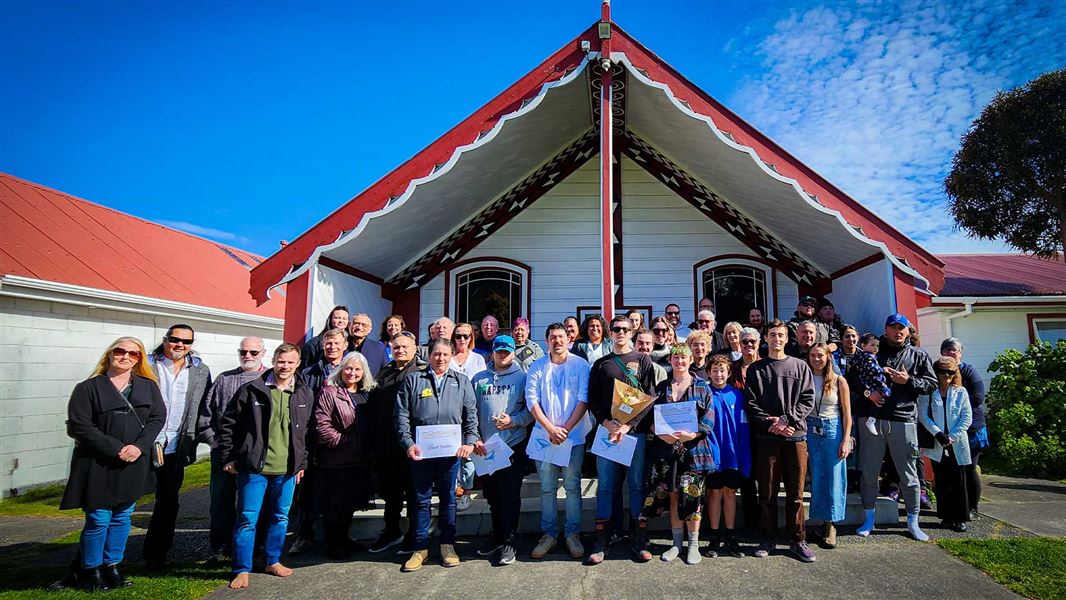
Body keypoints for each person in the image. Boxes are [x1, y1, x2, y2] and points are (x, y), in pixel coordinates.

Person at [56, 337, 165, 592]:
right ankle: (89, 570)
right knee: (98, 518)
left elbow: (157, 418)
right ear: (110, 354)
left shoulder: (148, 387)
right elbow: (80, 425)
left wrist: (138, 447)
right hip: (98, 462)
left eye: (133, 354)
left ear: (139, 359)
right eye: (120, 351)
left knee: (122, 517)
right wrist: (116, 448)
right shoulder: (88, 388)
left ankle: (111, 566)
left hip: (134, 461)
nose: (126, 356)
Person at [219, 343, 313, 590]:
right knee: (247, 519)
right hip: (254, 469)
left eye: (291, 362)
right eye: (281, 361)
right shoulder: (251, 390)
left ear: (298, 363)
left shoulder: (304, 393)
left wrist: (301, 463)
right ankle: (241, 568)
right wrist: (229, 458)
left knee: (280, 518)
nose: (285, 367)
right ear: (273, 360)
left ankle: (273, 560)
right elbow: (229, 425)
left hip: (287, 470)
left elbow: (306, 434)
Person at [395, 338, 480, 572]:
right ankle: (420, 548)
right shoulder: (413, 380)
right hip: (420, 454)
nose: (440, 358)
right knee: (421, 501)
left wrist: (470, 442)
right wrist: (408, 443)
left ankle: (447, 545)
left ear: (452, 355)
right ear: (429, 355)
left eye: (445, 354)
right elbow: (401, 416)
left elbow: (471, 415)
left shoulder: (461, 381)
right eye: (436, 354)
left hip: (450, 455)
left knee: (449, 500)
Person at [856, 313, 936, 541]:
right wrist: (867, 393)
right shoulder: (873, 350)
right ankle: (868, 518)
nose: (898, 332)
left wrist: (907, 381)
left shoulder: (918, 355)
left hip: (904, 419)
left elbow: (930, 384)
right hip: (872, 419)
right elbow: (853, 378)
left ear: (908, 331)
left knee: (909, 475)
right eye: (893, 327)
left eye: (902, 328)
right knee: (870, 472)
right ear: (886, 329)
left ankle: (913, 521)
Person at [586, 315, 657, 565]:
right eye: (615, 329)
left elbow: (650, 398)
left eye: (625, 329)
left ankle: (639, 539)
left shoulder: (643, 360)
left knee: (637, 486)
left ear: (631, 332)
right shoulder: (601, 364)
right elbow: (592, 399)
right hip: (607, 434)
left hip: (633, 435)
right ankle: (602, 540)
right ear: (610, 333)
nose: (620, 333)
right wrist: (606, 422)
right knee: (606, 486)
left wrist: (629, 425)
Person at [744, 319, 817, 563]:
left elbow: (808, 400)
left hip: (795, 438)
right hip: (766, 438)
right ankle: (768, 537)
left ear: (787, 339)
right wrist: (772, 424)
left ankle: (797, 539)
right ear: (766, 339)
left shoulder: (800, 366)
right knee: (767, 492)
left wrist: (787, 420)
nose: (776, 339)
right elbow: (751, 404)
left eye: (781, 335)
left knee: (796, 493)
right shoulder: (756, 369)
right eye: (772, 335)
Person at [144, 324, 212, 570]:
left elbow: (205, 406)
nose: (180, 345)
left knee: (168, 501)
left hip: (175, 446)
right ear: (165, 340)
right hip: (143, 443)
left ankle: (157, 554)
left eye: (186, 341)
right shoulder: (145, 365)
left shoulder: (200, 371)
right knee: (124, 502)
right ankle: (104, 559)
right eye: (175, 339)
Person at [640, 345, 716, 565]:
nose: (679, 362)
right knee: (673, 495)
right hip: (666, 451)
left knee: (692, 498)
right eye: (675, 358)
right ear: (670, 361)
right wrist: (658, 432)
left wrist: (691, 433)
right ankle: (676, 543)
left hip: (693, 451)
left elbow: (709, 420)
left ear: (691, 359)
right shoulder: (661, 387)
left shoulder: (703, 387)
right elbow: (649, 419)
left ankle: (693, 545)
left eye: (683, 358)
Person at [196, 336, 269, 563]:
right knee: (221, 501)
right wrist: (214, 442)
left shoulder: (270, 380)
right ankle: (221, 547)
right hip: (224, 452)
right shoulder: (224, 379)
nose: (248, 356)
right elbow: (205, 415)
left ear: (263, 353)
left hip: (257, 453)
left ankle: (255, 547)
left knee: (256, 503)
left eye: (253, 352)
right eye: (243, 352)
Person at [526, 323, 592, 561]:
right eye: (552, 337)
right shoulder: (537, 366)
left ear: (568, 339)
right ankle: (549, 535)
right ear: (547, 341)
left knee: (572, 486)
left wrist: (564, 429)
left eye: (561, 336)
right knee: (547, 488)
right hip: (544, 438)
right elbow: (531, 399)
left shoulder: (580, 365)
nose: (557, 341)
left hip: (572, 438)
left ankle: (573, 535)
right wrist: (550, 428)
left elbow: (584, 400)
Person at [470, 335, 532, 565]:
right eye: (499, 351)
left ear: (513, 352)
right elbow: (470, 411)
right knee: (492, 495)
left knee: (509, 496)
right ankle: (496, 536)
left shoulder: (523, 378)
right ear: (492, 352)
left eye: (507, 351)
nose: (503, 354)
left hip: (511, 445)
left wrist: (513, 421)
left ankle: (509, 540)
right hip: (485, 448)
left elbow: (531, 411)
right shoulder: (478, 379)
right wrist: (474, 436)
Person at [290, 327, 348, 554]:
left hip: (343, 443)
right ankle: (303, 535)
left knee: (340, 492)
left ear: (345, 345)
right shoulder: (309, 373)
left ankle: (341, 537)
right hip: (313, 441)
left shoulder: (351, 370)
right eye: (328, 343)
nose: (332, 347)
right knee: (308, 493)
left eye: (336, 343)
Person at [367, 331, 423, 554]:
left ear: (414, 348)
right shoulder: (384, 373)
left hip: (412, 445)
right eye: (396, 346)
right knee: (390, 493)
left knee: (413, 493)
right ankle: (391, 530)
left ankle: (413, 534)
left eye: (405, 346)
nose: (400, 350)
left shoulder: (421, 372)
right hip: (386, 445)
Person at [314, 351, 375, 558]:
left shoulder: (365, 394)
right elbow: (321, 425)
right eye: (348, 368)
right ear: (341, 370)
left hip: (359, 460)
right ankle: (334, 545)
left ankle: (345, 539)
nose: (352, 373)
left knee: (349, 504)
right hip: (336, 460)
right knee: (335, 506)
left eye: (357, 369)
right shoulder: (330, 392)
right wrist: (345, 442)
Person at [804, 343, 852, 549]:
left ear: (828, 357)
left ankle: (831, 525)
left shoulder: (839, 381)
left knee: (833, 477)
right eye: (813, 355)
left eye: (820, 355)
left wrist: (846, 439)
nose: (816, 359)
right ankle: (818, 520)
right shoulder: (804, 378)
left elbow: (847, 414)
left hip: (832, 428)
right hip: (810, 428)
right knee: (817, 476)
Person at [919, 356, 973, 532]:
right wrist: (938, 434)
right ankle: (946, 516)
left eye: (951, 372)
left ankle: (960, 517)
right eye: (943, 372)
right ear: (936, 372)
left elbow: (967, 417)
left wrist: (952, 436)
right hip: (937, 441)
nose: (947, 375)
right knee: (941, 481)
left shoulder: (961, 392)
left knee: (959, 481)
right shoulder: (929, 391)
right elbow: (922, 414)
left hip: (956, 442)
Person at [705, 353, 750, 559]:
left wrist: (743, 456)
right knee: (714, 493)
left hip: (732, 454)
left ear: (729, 372)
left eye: (722, 370)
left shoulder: (737, 395)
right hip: (712, 454)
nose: (719, 374)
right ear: (708, 373)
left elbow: (743, 427)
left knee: (730, 493)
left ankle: (730, 536)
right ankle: (714, 536)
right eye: (714, 370)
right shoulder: (704, 393)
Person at [940, 337, 987, 520]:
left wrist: (956, 411)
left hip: (972, 429)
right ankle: (957, 506)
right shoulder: (940, 372)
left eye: (955, 350)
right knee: (954, 470)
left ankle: (973, 507)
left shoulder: (969, 372)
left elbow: (978, 398)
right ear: (942, 353)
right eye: (947, 350)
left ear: (961, 353)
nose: (951, 353)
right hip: (950, 432)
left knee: (970, 468)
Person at [449, 322, 487, 512]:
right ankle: (454, 491)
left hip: (472, 412)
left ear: (471, 338)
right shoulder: (448, 358)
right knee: (453, 453)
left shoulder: (478, 359)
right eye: (458, 336)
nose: (462, 339)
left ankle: (466, 491)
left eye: (466, 336)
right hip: (451, 412)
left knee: (469, 455)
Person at [729, 327, 761, 533]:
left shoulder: (767, 366)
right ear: (739, 345)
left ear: (758, 344)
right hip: (736, 429)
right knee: (744, 477)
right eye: (744, 342)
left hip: (762, 428)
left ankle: (764, 524)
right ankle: (749, 523)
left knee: (762, 477)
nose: (748, 345)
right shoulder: (732, 368)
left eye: (752, 342)